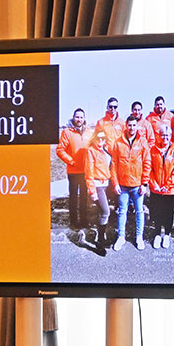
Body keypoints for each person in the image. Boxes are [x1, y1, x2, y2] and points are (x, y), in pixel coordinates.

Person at [109, 115, 151, 251]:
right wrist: (115, 183)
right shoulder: (118, 142)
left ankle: (139, 237)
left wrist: (144, 183)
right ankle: (121, 237)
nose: (132, 128)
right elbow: (114, 165)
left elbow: (147, 163)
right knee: (122, 212)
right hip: (122, 186)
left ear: (137, 126)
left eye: (134, 125)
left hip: (137, 185)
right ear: (126, 126)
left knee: (139, 211)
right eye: (130, 125)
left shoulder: (142, 142)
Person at [55, 108, 90, 239]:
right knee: (74, 197)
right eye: (77, 117)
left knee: (84, 197)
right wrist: (71, 161)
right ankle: (74, 222)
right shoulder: (67, 132)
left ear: (84, 118)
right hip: (73, 171)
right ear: (73, 117)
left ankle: (84, 220)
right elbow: (60, 150)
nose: (79, 119)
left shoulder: (89, 132)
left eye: (81, 117)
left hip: (86, 171)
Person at [148, 124, 174, 248]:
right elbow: (149, 169)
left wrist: (168, 185)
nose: (165, 138)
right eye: (163, 135)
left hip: (170, 189)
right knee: (157, 211)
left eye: (167, 135)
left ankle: (167, 234)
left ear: (171, 136)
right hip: (156, 188)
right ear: (159, 135)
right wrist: (154, 184)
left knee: (168, 212)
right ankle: (157, 233)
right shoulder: (153, 150)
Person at [83, 123, 113, 252]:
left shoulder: (105, 150)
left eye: (103, 138)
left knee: (102, 212)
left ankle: (101, 236)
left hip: (106, 184)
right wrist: (92, 190)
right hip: (97, 186)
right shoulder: (91, 151)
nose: (100, 140)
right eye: (98, 138)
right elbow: (88, 172)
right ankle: (100, 242)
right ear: (94, 138)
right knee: (106, 212)